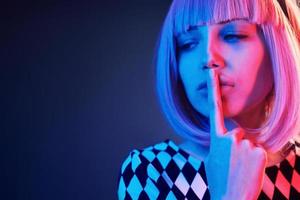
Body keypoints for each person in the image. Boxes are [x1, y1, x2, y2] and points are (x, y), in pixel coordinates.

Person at [118, 0, 300, 199]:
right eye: (187, 44)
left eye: (233, 35)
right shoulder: (151, 173)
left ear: (278, 50)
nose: (207, 57)